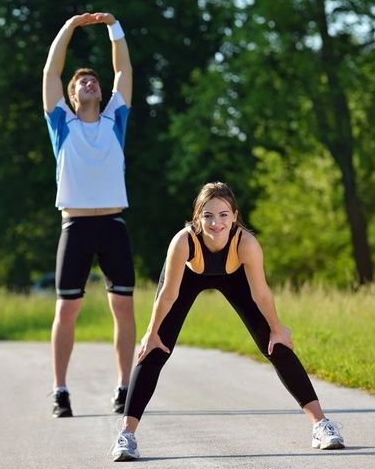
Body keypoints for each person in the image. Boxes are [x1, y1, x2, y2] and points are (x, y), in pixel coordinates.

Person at [111, 181, 345, 461]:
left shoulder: (246, 243)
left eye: (223, 215)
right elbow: (168, 294)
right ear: (197, 217)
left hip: (234, 277)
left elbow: (261, 293)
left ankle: (321, 425)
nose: (215, 222)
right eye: (208, 215)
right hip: (187, 278)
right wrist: (151, 332)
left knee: (276, 345)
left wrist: (276, 328)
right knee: (154, 349)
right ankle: (127, 436)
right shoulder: (184, 241)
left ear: (234, 216)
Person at [42, 13, 136, 418]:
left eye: (93, 80)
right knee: (66, 310)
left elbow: (124, 68)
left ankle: (124, 387)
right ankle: (60, 391)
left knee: (124, 308)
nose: (90, 82)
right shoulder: (61, 122)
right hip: (75, 225)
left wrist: (114, 27)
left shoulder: (116, 117)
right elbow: (50, 69)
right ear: (71, 94)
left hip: (113, 225)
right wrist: (72, 26)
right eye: (81, 81)